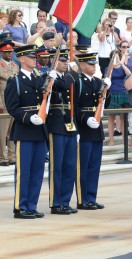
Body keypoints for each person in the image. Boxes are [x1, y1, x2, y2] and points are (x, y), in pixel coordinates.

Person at [4, 45, 47, 219]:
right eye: (31, 57)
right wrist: (28, 117)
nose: (34, 59)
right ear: (21, 59)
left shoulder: (39, 79)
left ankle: (31, 205)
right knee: (24, 171)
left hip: (40, 130)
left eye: (34, 56)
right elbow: (12, 107)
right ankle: (21, 207)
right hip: (24, 130)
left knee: (37, 171)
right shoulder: (15, 81)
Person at [75, 52, 110, 210]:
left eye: (94, 64)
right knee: (83, 166)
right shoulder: (78, 82)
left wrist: (106, 90)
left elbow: (104, 104)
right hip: (84, 128)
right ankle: (83, 199)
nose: (93, 66)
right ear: (82, 65)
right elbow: (74, 107)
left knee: (94, 167)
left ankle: (91, 197)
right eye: (90, 64)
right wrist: (84, 118)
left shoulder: (97, 82)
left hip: (96, 129)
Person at [46, 48, 79, 215]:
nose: (66, 63)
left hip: (69, 123)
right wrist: (73, 73)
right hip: (56, 123)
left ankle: (65, 201)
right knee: (57, 166)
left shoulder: (68, 77)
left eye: (67, 61)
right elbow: (62, 85)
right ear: (55, 61)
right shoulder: (50, 77)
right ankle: (55, 202)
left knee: (69, 166)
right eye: (62, 61)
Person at [0, 37, 18, 167]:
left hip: (14, 103)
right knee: (2, 132)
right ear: (1, 52)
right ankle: (2, 157)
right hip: (3, 103)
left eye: (11, 52)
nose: (9, 54)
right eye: (7, 52)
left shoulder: (15, 65)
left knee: (12, 131)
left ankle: (12, 156)